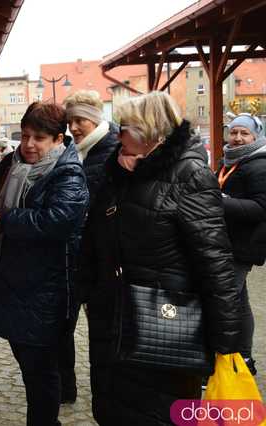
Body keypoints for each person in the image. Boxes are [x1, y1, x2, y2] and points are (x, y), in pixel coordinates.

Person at [77, 91, 242, 424]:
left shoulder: (190, 175)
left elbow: (215, 262)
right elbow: (95, 237)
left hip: (167, 324)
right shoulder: (120, 173)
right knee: (114, 410)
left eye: (126, 128)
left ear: (152, 133)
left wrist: (226, 342)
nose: (118, 134)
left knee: (159, 414)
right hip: (114, 318)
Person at [0, 101, 88, 426]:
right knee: (29, 364)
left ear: (58, 140)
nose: (29, 145)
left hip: (45, 288)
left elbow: (57, 221)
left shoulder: (68, 173)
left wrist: (1, 220)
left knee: (41, 372)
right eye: (25, 136)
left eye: (39, 138)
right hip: (12, 283)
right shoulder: (12, 161)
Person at [59, 90, 120, 403]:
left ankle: (108, 399)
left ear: (95, 119)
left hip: (101, 258)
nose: (74, 127)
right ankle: (65, 388)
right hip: (81, 255)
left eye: (79, 120)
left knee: (103, 334)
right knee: (65, 327)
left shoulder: (111, 148)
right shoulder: (79, 149)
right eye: (70, 121)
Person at [217, 113, 266, 375]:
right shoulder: (230, 161)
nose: (237, 138)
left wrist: (219, 200)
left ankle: (225, 362)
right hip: (229, 243)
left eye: (243, 134)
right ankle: (245, 359)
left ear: (255, 136)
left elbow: (261, 208)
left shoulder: (259, 164)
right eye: (233, 132)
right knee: (240, 302)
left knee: (226, 303)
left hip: (242, 246)